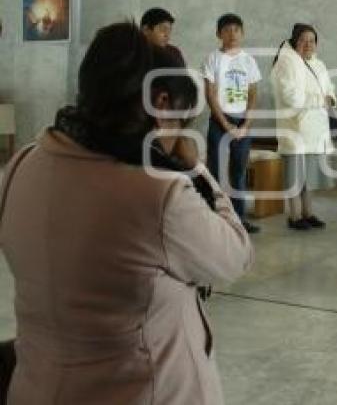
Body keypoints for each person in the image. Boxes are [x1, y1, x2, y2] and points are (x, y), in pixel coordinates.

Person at [0, 22, 253, 404]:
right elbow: (235, 255)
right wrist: (196, 169)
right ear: (161, 105)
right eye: (181, 122)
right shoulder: (157, 194)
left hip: (37, 388)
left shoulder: (21, 166)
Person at [270, 23, 337, 230]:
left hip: (315, 131)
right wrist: (320, 100)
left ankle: (308, 213)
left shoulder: (319, 64)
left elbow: (329, 89)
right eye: (303, 40)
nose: (308, 44)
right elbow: (291, 97)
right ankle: (294, 216)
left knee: (308, 176)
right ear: (294, 41)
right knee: (295, 178)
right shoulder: (287, 62)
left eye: (312, 40)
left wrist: (331, 99)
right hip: (295, 129)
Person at [202, 13, 262, 234]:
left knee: (238, 172)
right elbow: (210, 95)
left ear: (242, 33)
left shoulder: (249, 60)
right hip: (219, 120)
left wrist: (246, 124)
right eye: (227, 30)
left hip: (243, 121)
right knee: (215, 171)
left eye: (237, 30)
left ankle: (239, 218)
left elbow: (254, 94)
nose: (232, 34)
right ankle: (214, 218)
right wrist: (226, 125)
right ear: (219, 34)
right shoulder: (212, 59)